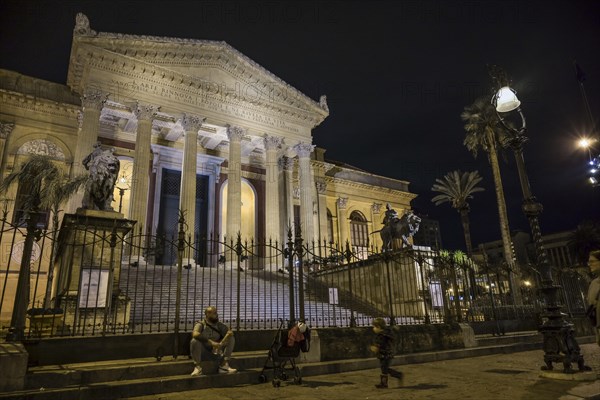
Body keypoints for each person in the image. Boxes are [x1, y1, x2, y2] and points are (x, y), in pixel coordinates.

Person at [190, 306, 237, 376]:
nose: (216, 315)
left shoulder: (219, 325)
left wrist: (228, 335)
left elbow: (229, 332)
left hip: (217, 352)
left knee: (231, 338)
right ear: (207, 314)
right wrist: (211, 342)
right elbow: (195, 334)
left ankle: (223, 365)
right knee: (194, 341)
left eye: (216, 313)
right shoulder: (201, 324)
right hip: (204, 353)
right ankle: (198, 367)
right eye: (214, 313)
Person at [370, 317, 403, 389]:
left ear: (378, 327)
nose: (373, 328)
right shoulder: (386, 333)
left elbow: (381, 344)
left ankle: (397, 375)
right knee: (384, 368)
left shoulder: (382, 335)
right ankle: (384, 383)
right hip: (385, 354)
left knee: (384, 368)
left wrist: (375, 348)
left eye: (374, 327)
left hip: (385, 354)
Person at [585, 250, 600, 346]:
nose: (589, 264)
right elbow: (591, 304)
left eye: (592, 261)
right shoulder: (594, 283)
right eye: (589, 262)